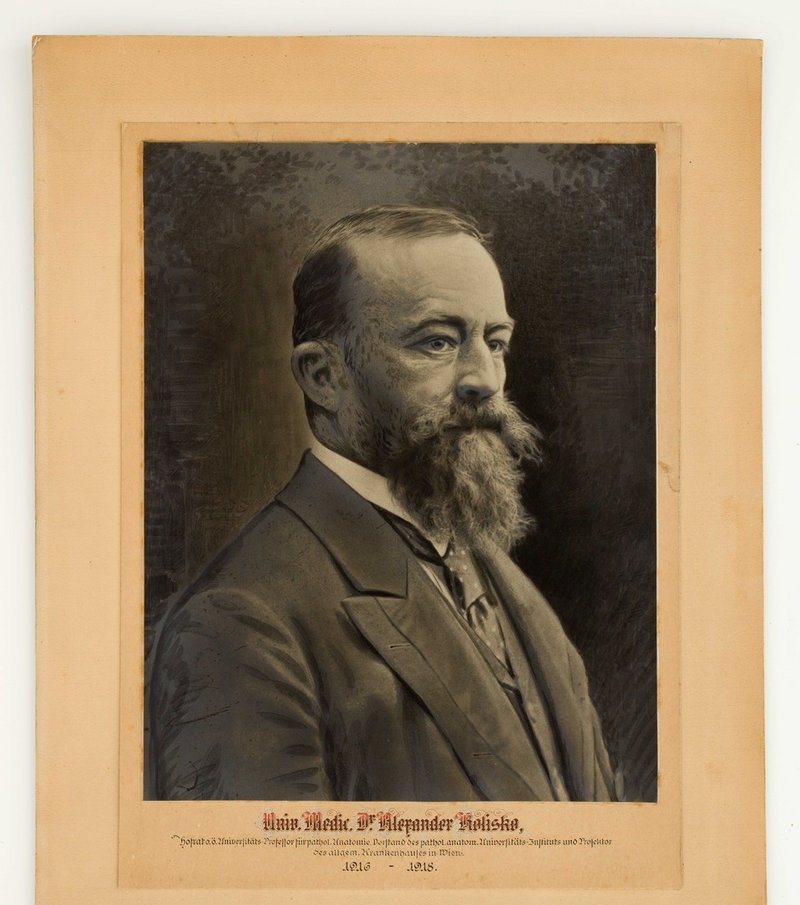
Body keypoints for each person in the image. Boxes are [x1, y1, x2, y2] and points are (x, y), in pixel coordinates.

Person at [147, 204, 619, 802]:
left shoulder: (499, 579)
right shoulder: (240, 620)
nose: (486, 380)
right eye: (437, 342)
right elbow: (261, 864)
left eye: (496, 343)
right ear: (323, 376)